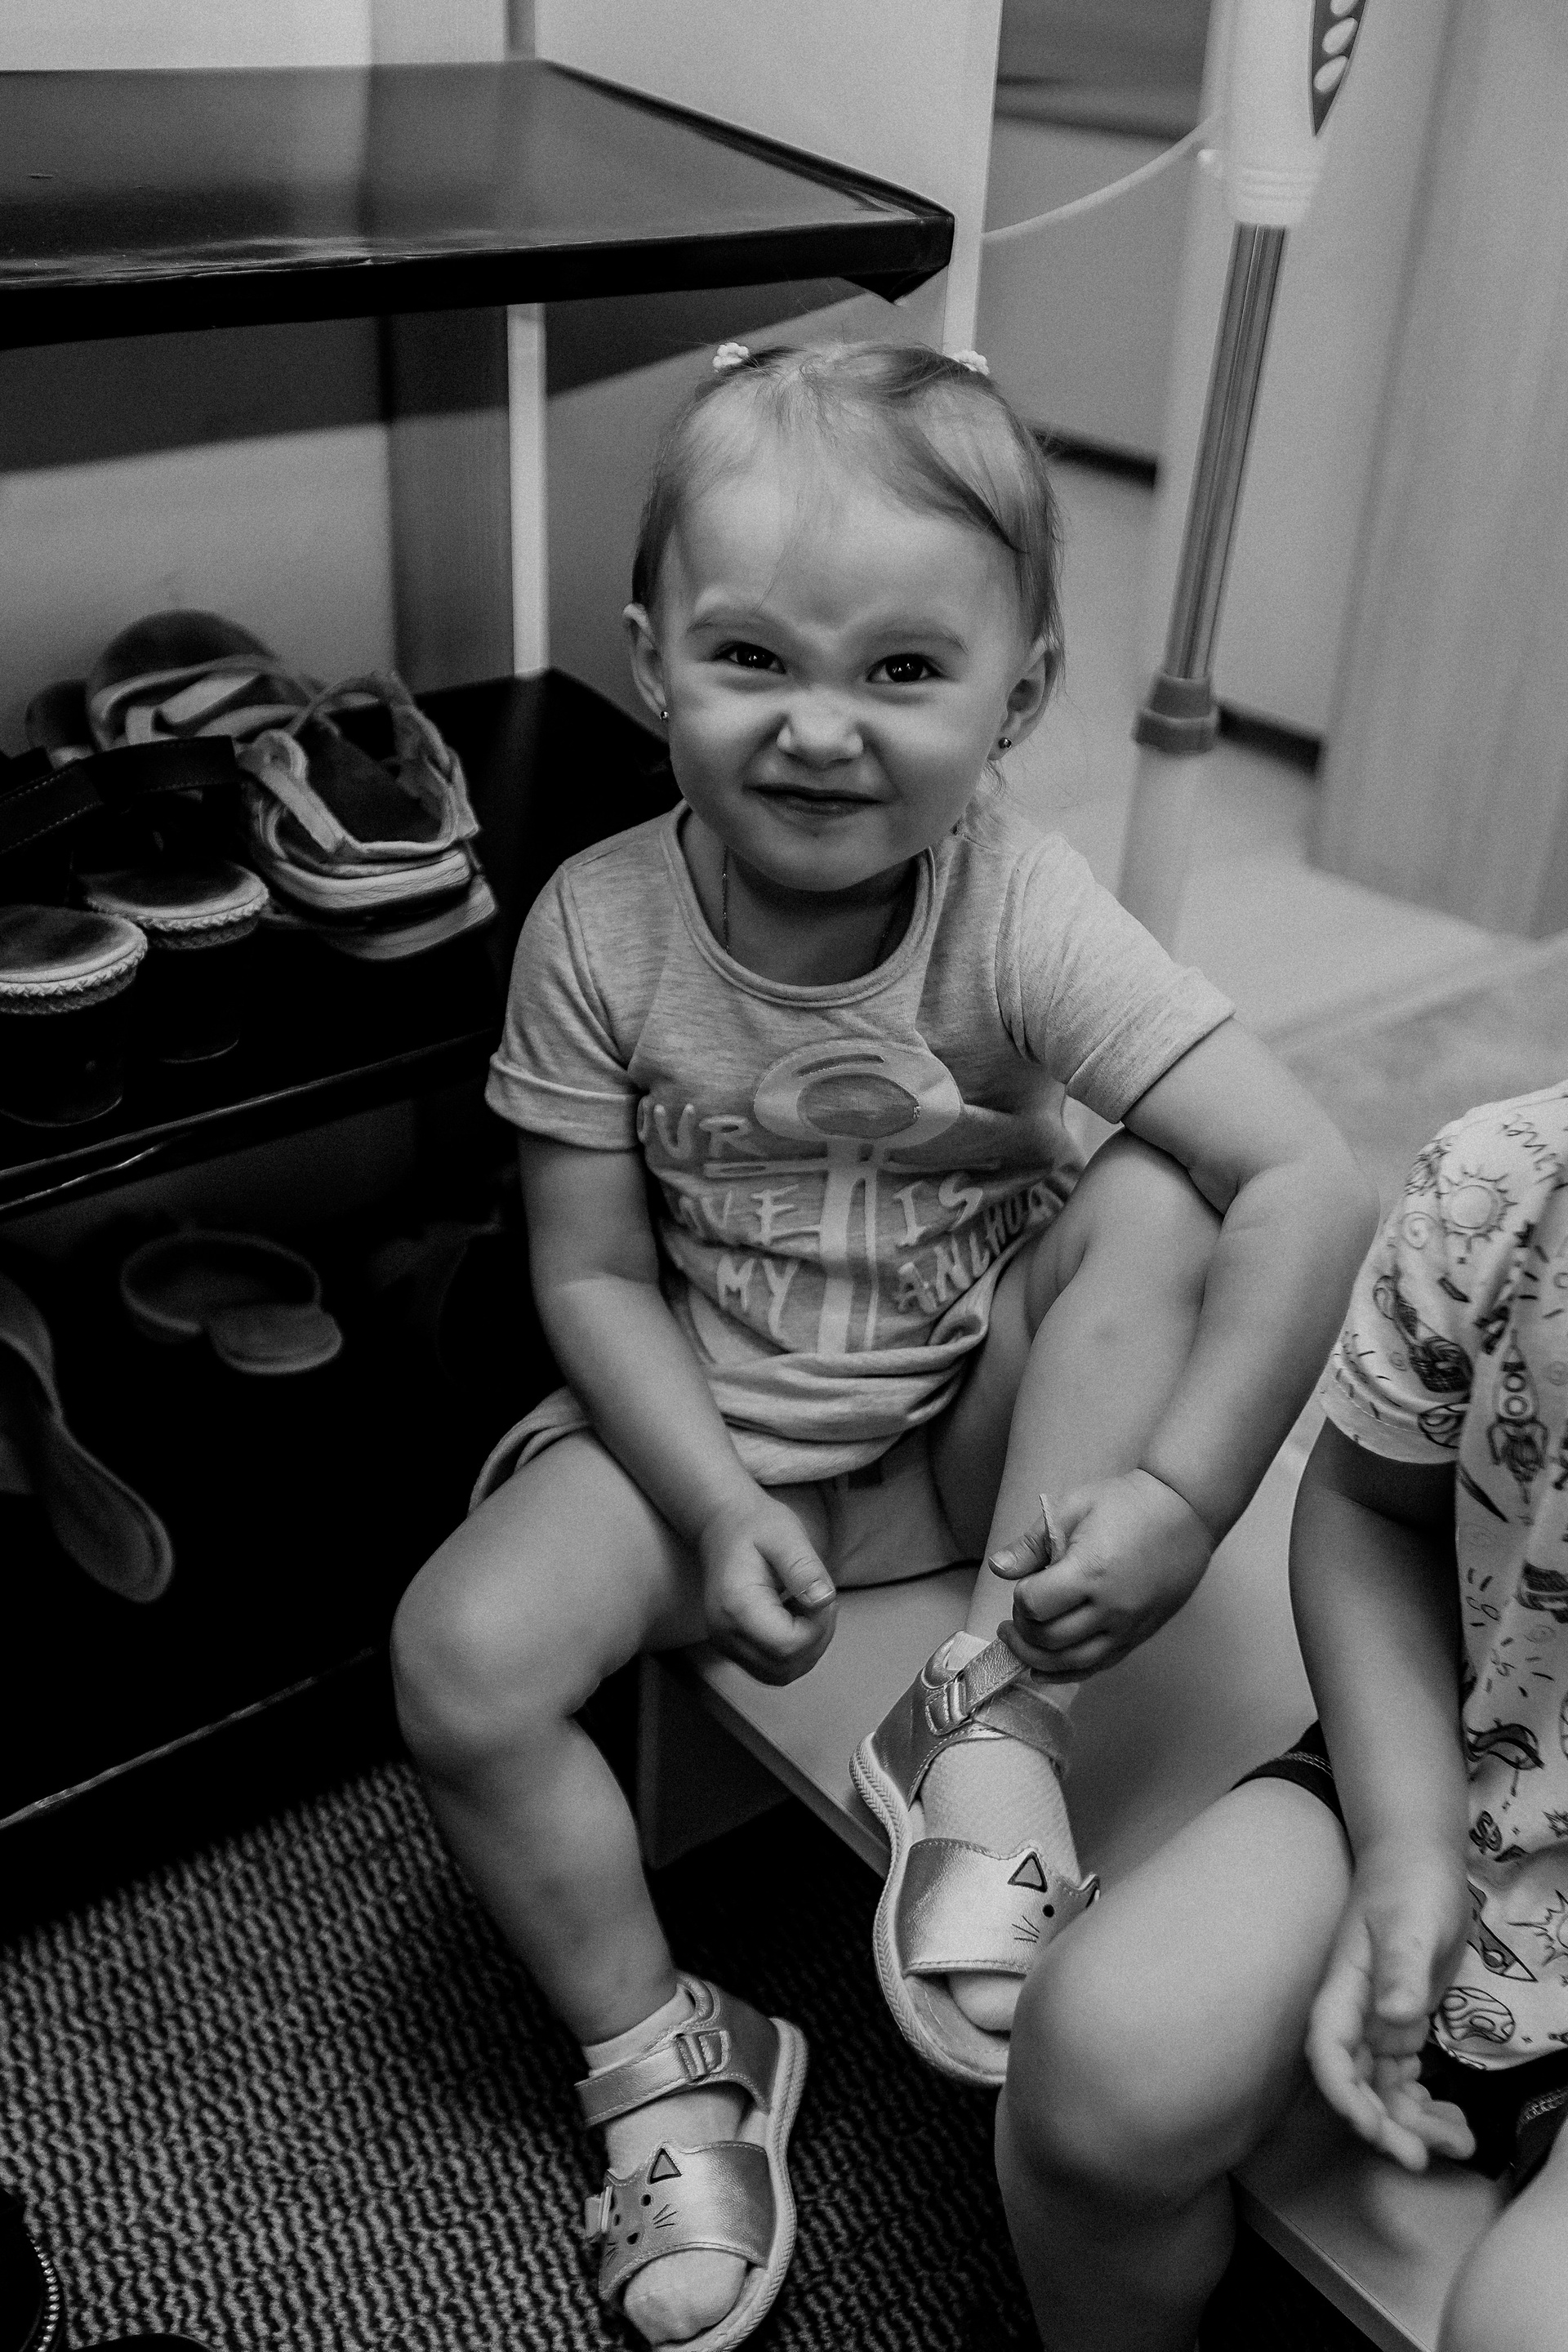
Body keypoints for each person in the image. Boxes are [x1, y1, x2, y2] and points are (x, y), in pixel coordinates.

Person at [390, 340, 1374, 2352]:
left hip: (977, 1444)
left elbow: (1307, 1177)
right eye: (753, 657)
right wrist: (708, 1493)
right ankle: (670, 2063)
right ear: (654, 663)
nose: (820, 729)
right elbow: (590, 1276)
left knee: (1167, 1188)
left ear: (1017, 697)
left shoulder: (1021, 908)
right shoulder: (592, 927)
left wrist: (1183, 1506)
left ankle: (988, 1719)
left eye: (905, 671)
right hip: (710, 1438)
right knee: (456, 1659)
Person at [1000, 1080, 1568, 2352]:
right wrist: (1408, 1844)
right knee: (1098, 2066)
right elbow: (1374, 1508)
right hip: (1471, 1751)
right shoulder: (1501, 1178)